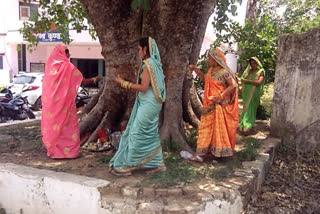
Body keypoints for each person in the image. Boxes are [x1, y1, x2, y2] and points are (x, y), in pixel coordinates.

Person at [109, 37, 166, 176]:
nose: (139, 52)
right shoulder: (156, 64)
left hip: (149, 103)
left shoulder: (148, 65)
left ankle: (129, 164)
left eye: (139, 49)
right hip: (152, 103)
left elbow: (143, 87)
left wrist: (123, 83)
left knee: (136, 132)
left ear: (145, 49)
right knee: (149, 133)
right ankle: (158, 163)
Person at [189, 48, 238, 161]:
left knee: (218, 129)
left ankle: (220, 153)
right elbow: (205, 80)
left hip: (218, 105)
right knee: (206, 127)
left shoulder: (224, 71)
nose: (208, 60)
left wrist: (221, 96)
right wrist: (195, 70)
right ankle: (202, 154)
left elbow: (233, 85)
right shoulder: (211, 71)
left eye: (210, 58)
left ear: (216, 59)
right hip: (208, 105)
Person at [41, 45, 83, 158]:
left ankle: (56, 152)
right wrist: (94, 80)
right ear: (63, 54)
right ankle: (70, 153)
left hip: (51, 105)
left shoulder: (49, 67)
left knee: (58, 127)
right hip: (65, 105)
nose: (69, 55)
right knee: (69, 128)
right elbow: (79, 78)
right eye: (67, 53)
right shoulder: (67, 67)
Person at [239, 57, 265, 134]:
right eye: (251, 63)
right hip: (247, 92)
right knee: (246, 108)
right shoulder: (249, 71)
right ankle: (243, 124)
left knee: (251, 108)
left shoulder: (261, 71)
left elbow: (258, 82)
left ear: (257, 63)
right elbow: (243, 79)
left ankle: (248, 125)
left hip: (254, 93)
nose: (253, 65)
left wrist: (247, 81)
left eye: (254, 63)